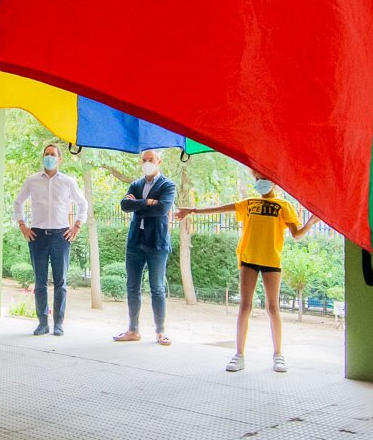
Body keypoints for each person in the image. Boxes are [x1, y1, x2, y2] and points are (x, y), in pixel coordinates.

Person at [177, 170, 317, 372]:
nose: (261, 183)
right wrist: (193, 210)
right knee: (245, 306)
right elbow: (224, 209)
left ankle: (278, 355)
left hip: (271, 261)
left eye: (265, 179)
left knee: (273, 308)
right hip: (248, 260)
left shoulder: (284, 206)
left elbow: (296, 235)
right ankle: (239, 354)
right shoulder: (250, 202)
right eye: (258, 179)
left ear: (275, 183)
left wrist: (311, 223)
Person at [13, 143, 88, 336]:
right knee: (40, 282)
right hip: (37, 235)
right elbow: (18, 202)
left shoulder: (68, 181)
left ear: (60, 159)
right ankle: (42, 323)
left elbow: (82, 204)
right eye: (46, 154)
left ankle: (58, 324)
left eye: (53, 154)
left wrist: (77, 226)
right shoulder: (32, 181)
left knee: (60, 282)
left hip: (60, 236)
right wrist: (22, 225)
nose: (49, 157)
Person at [113, 150, 177, 346]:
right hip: (135, 243)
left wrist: (138, 205)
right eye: (144, 160)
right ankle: (133, 330)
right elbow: (124, 205)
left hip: (156, 243)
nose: (147, 163)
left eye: (151, 160)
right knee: (132, 287)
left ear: (159, 161)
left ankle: (160, 332)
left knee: (157, 288)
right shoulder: (136, 184)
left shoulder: (168, 185)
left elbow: (162, 208)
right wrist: (147, 202)